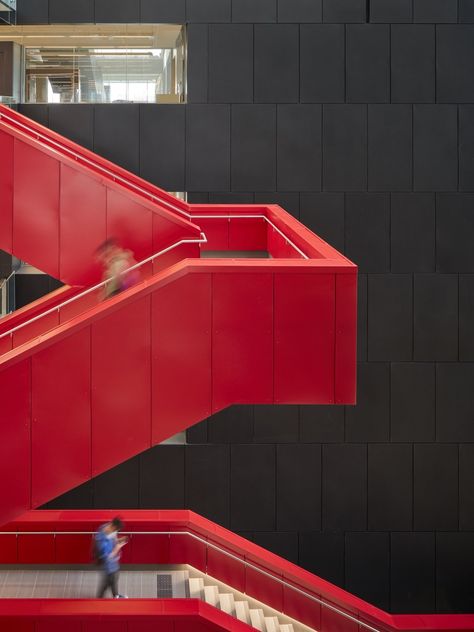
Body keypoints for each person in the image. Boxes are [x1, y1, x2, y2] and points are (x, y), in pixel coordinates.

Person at [95, 516, 128, 599]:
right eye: (115, 530)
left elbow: (113, 538)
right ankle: (99, 599)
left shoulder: (106, 527)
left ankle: (116, 596)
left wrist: (118, 540)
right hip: (108, 564)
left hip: (113, 563)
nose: (116, 532)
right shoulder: (102, 541)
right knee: (107, 582)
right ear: (113, 526)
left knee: (114, 578)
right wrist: (117, 548)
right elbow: (107, 557)